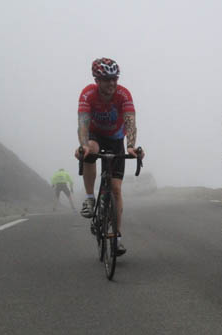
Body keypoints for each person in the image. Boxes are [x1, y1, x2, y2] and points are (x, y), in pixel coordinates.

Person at [74, 57, 145, 256]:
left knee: (115, 189)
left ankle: (117, 237)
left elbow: (130, 121)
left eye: (115, 78)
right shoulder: (88, 93)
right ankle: (89, 198)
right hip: (95, 136)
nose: (112, 83)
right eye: (107, 80)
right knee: (91, 148)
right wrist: (83, 146)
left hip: (116, 139)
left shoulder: (123, 94)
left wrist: (130, 146)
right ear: (97, 80)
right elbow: (83, 124)